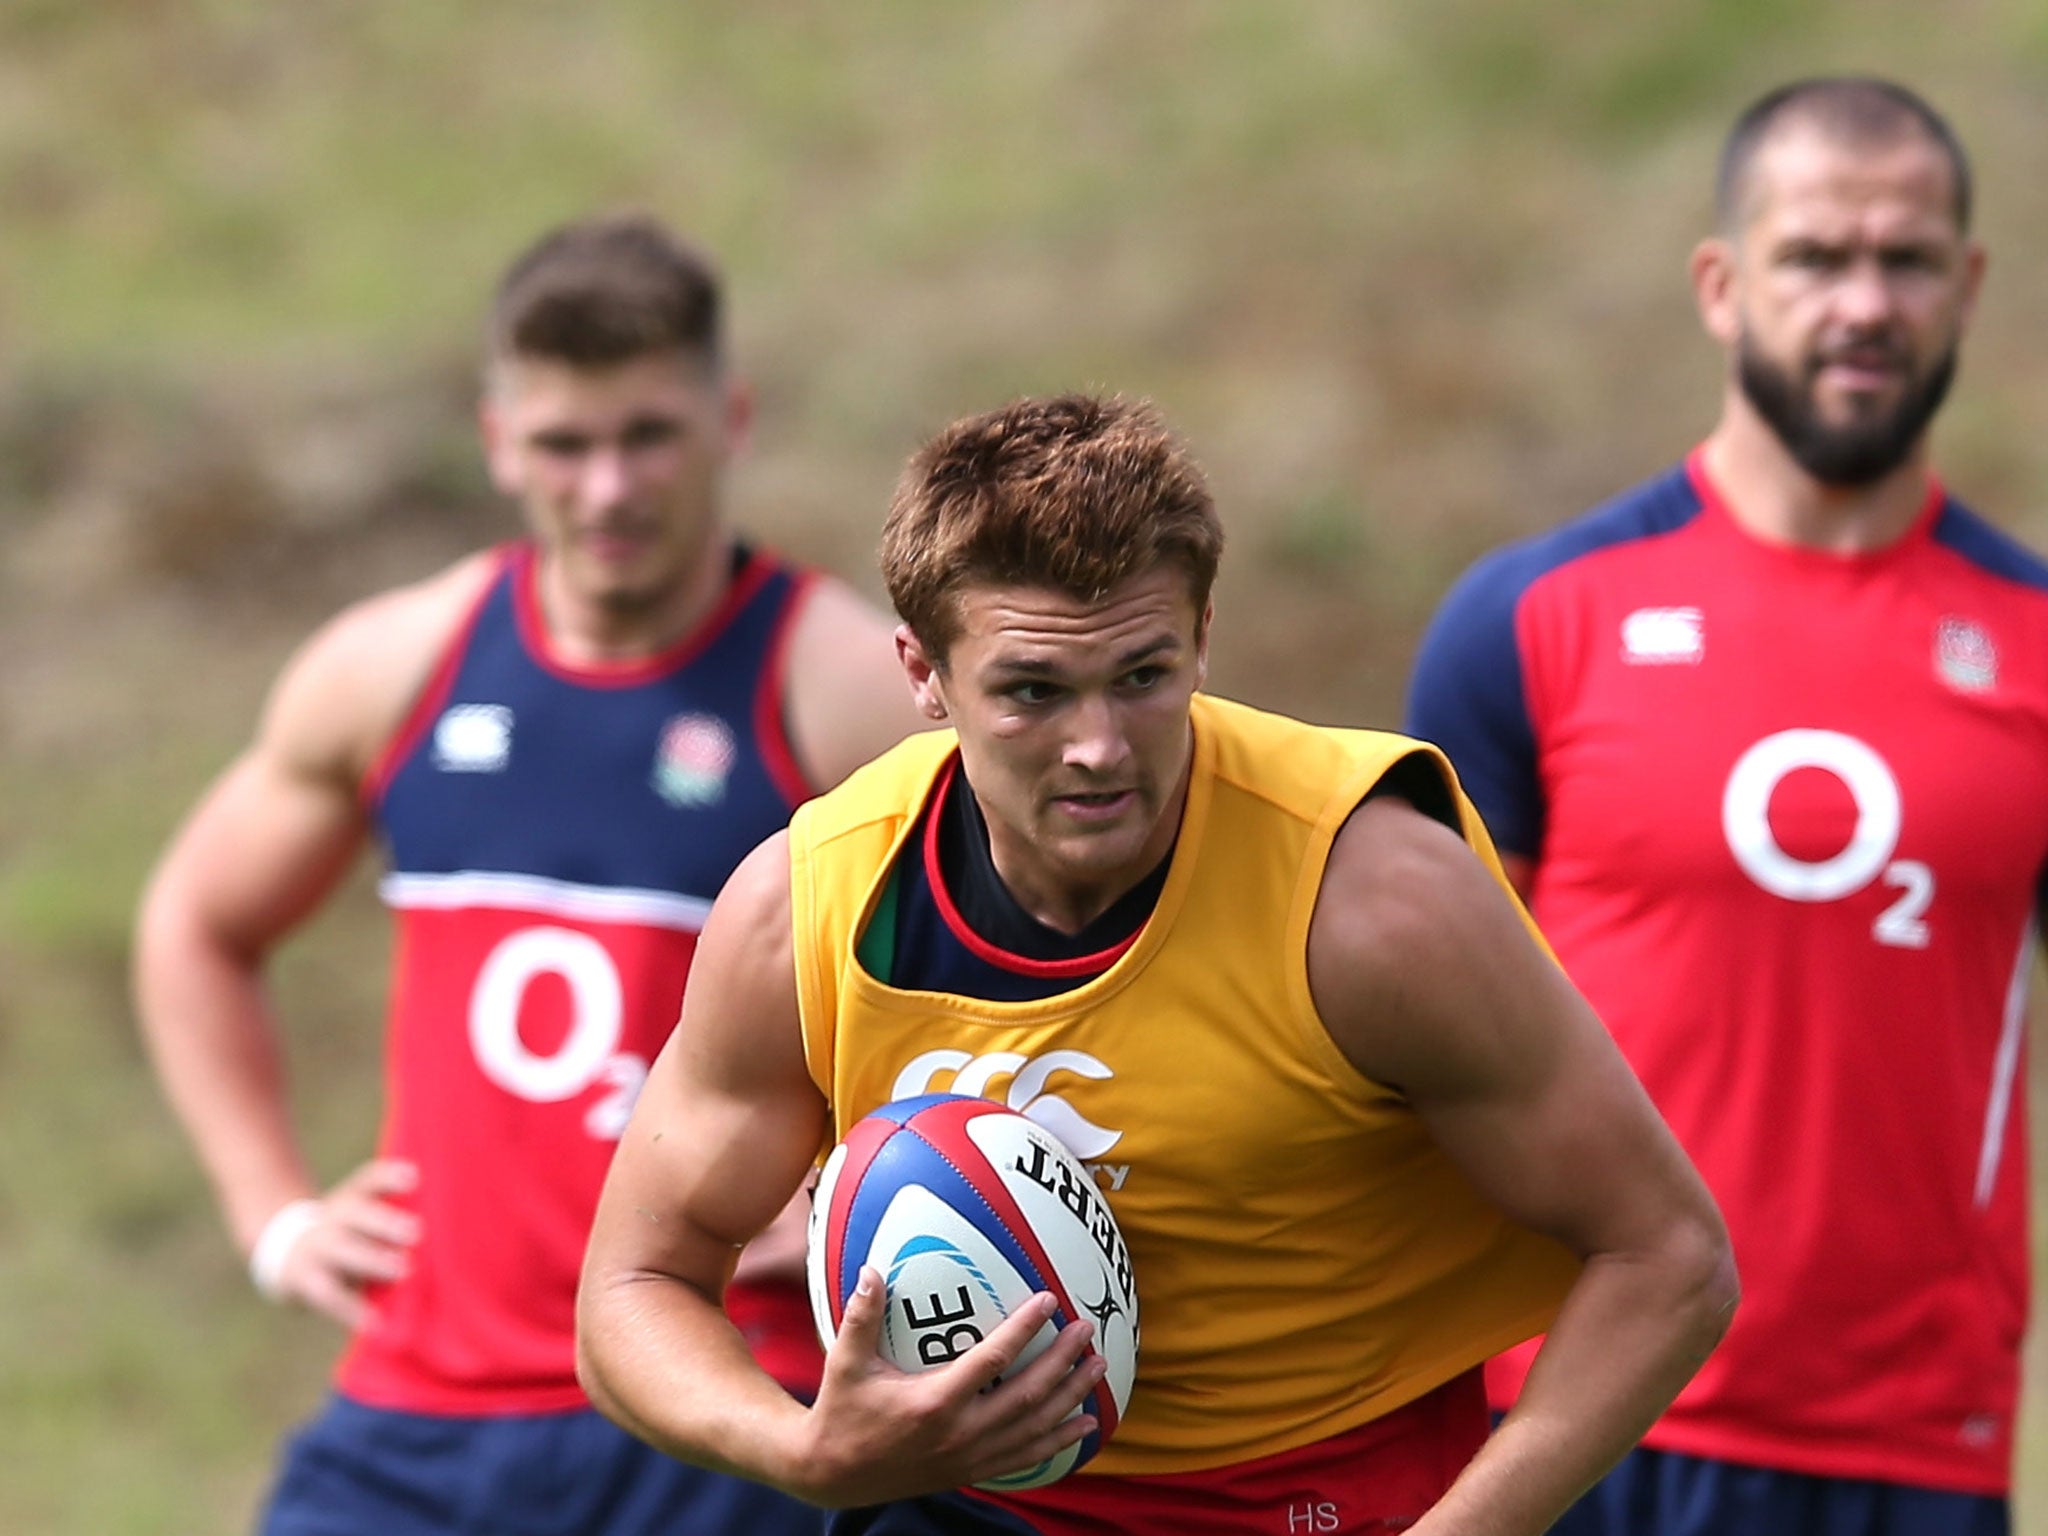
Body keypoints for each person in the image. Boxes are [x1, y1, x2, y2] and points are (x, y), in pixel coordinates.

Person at [575, 391, 1736, 1535]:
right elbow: (633, 1289)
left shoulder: (1369, 901)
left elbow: (1667, 1257)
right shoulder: (811, 903)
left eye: (1141, 675)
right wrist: (800, 1452)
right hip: (966, 1507)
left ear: (1203, 636)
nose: (1096, 747)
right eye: (1031, 691)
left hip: (1321, 1503)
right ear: (921, 674)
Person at [131, 213, 925, 1535]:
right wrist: (272, 1216)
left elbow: (1030, 967)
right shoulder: (395, 669)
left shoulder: (838, 689)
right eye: (564, 443)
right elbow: (195, 925)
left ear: (731, 420)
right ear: (499, 441)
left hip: (722, 1405)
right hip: (420, 1418)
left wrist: (861, 1178)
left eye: (647, 435)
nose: (608, 487)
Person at [1405, 77, 2043, 1536]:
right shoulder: (1530, 621)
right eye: (1818, 256)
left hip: (1910, 1447)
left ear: (1969, 284)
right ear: (1723, 283)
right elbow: (1403, 1052)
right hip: (1566, 1418)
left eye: (1908, 259)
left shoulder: (2035, 646)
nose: (1865, 302)